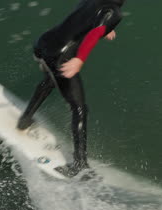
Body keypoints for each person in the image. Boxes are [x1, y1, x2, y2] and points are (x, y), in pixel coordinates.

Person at [17, 0, 126, 176]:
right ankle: (80, 165)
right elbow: (94, 33)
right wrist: (79, 59)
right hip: (60, 57)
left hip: (42, 44)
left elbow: (83, 17)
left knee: (51, 79)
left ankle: (25, 120)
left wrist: (106, 27)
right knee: (79, 108)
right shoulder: (114, 13)